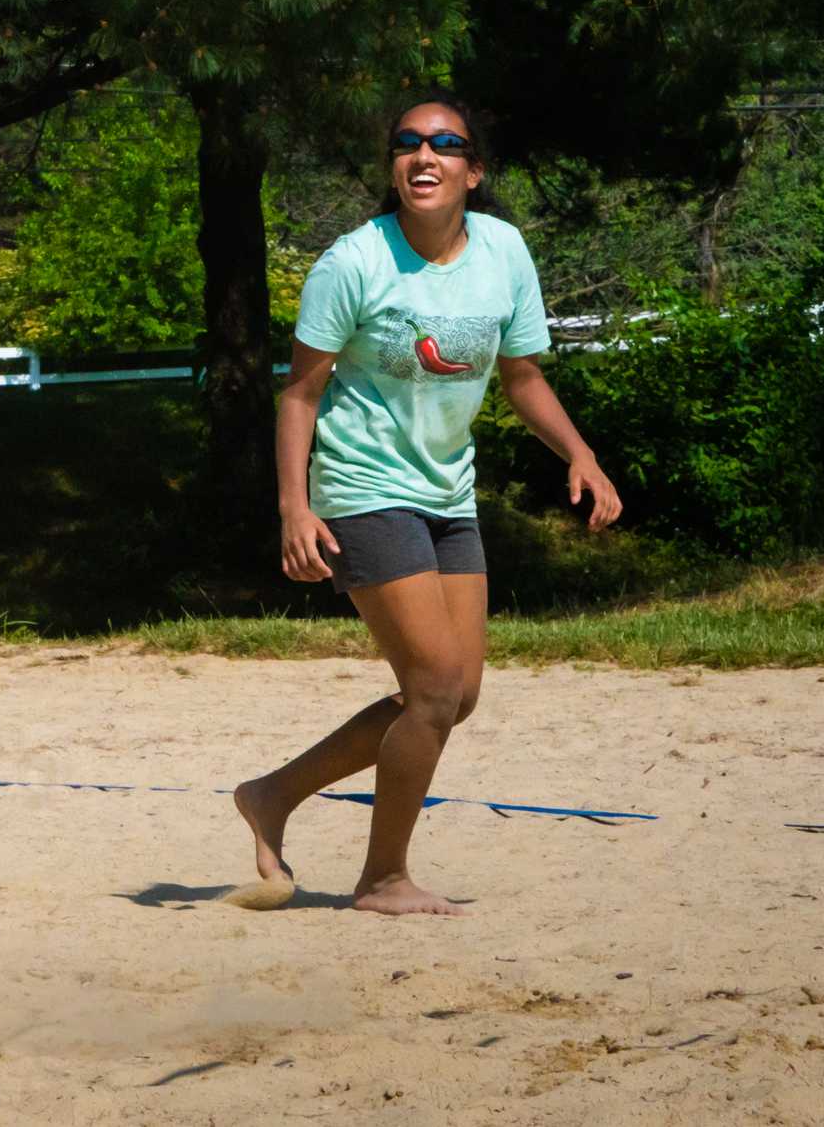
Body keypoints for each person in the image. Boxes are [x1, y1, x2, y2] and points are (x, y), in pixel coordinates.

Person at [228, 94, 621, 916]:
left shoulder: (504, 251)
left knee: (452, 697)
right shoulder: (353, 262)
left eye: (445, 143)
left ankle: (272, 795)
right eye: (407, 143)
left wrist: (580, 453)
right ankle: (382, 878)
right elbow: (299, 394)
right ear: (394, 166)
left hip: (448, 491)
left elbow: (522, 377)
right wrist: (294, 510)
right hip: (364, 487)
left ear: (473, 171)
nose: (423, 155)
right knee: (435, 684)